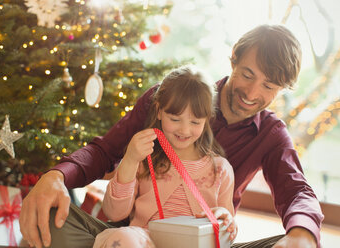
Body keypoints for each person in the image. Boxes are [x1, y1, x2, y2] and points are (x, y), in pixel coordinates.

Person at [19, 24, 324, 248]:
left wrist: (302, 236)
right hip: (136, 238)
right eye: (247, 75)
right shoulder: (169, 98)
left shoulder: (271, 134)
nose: (253, 93)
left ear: (282, 89)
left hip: (203, 243)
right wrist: (56, 176)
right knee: (51, 218)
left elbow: (297, 192)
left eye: (269, 86)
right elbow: (104, 151)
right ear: (233, 58)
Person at [92, 65, 236, 247]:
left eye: (195, 122)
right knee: (123, 238)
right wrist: (130, 160)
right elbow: (114, 213)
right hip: (145, 240)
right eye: (175, 119)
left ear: (207, 118)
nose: (184, 130)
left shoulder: (221, 169)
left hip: (192, 243)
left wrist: (226, 218)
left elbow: (227, 230)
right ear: (159, 110)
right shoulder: (145, 158)